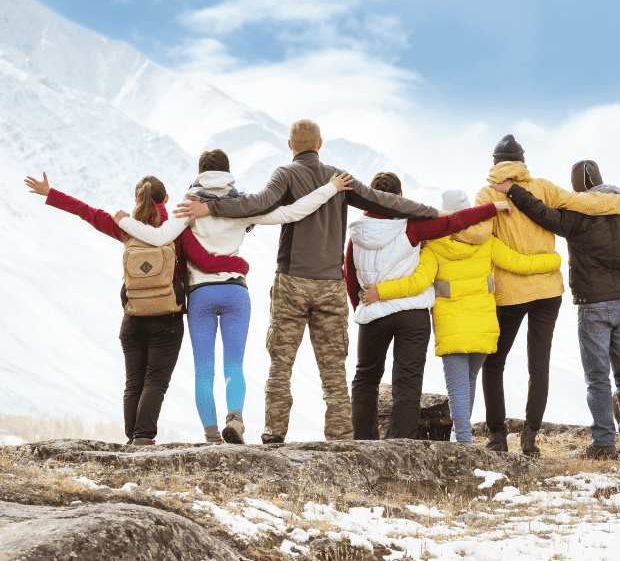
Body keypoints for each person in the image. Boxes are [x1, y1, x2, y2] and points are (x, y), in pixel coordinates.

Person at [175, 120, 441, 443]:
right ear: (320, 143)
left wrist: (211, 207)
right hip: (330, 284)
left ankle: (274, 434)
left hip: (291, 282)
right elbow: (385, 201)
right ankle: (341, 436)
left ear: (290, 146)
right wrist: (431, 213)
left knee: (281, 363)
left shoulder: (285, 174)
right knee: (333, 369)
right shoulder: (339, 177)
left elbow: (256, 204)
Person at [115, 149, 354, 444]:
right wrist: (330, 187)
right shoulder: (241, 206)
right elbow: (293, 212)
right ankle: (235, 417)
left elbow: (158, 238)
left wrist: (124, 221)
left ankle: (213, 437)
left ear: (199, 172)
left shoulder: (188, 207)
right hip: (235, 292)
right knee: (233, 365)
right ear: (228, 173)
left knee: (204, 369)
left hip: (200, 295)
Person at [23, 171, 248, 446]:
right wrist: (240, 266)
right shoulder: (176, 229)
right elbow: (206, 262)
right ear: (166, 198)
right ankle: (143, 436)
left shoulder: (125, 227)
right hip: (167, 318)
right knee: (155, 381)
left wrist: (51, 193)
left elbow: (87, 212)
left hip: (133, 318)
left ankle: (133, 438)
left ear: (137, 200)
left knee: (133, 383)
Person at [453, 134, 620, 455]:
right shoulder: (543, 187)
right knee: (538, 366)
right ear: (523, 160)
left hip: (510, 293)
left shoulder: (487, 193)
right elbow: (585, 202)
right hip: (548, 292)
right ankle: (530, 439)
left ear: (495, 163)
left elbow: (480, 234)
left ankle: (498, 438)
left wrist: (449, 225)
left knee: (494, 363)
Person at [490, 161, 620, 459]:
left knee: (598, 378)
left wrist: (513, 190)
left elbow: (541, 212)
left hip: (593, 307)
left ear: (576, 189)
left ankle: (604, 444)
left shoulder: (575, 213)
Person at [360, 190, 562, 446]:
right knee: (468, 382)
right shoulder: (486, 241)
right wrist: (552, 261)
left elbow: (417, 282)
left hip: (452, 327)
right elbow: (517, 263)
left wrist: (381, 292)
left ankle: (463, 444)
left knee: (458, 390)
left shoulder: (434, 246)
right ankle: (461, 438)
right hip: (483, 326)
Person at [343, 177, 513, 441]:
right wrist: (493, 208)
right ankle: (400, 444)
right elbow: (453, 222)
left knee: (366, 378)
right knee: (408, 382)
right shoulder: (412, 227)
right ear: (400, 195)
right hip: (412, 315)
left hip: (373, 311)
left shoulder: (358, 232)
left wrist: (362, 309)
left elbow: (350, 275)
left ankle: (364, 441)